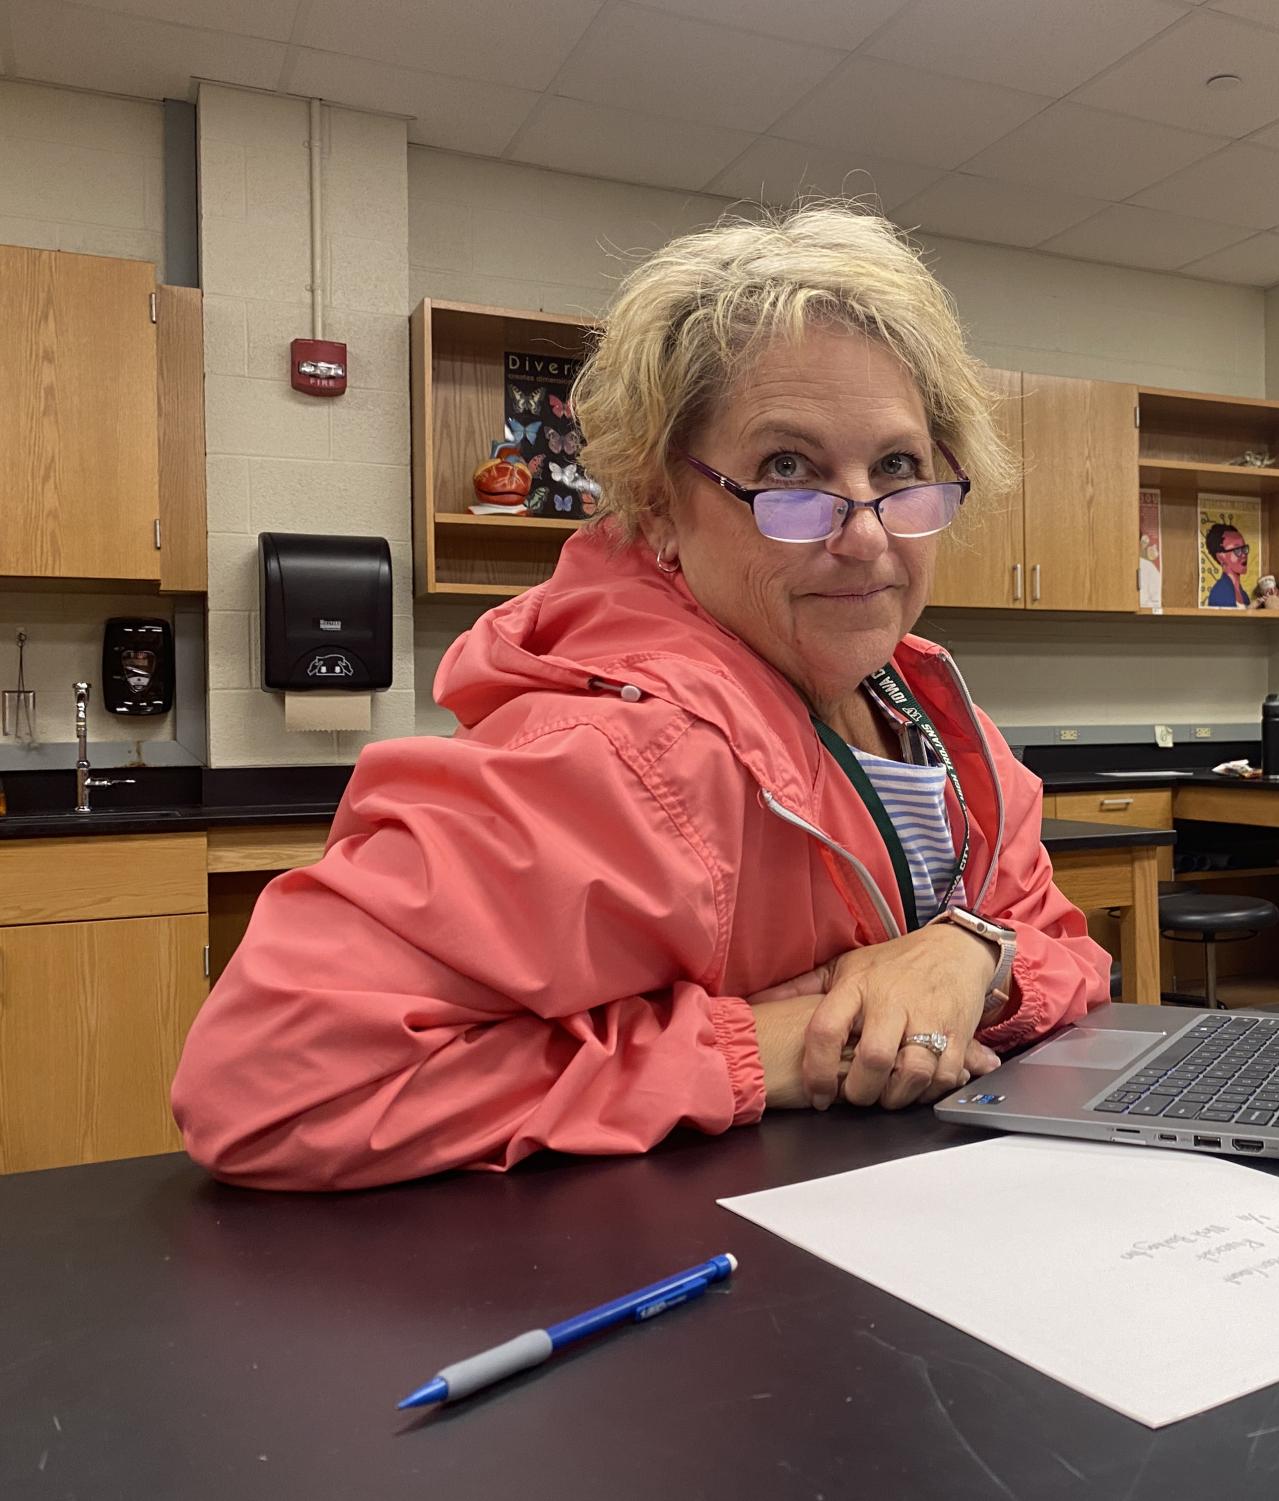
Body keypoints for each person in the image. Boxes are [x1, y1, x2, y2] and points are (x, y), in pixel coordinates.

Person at [172, 204, 1111, 1191]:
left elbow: (1064, 946)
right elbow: (267, 1081)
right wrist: (770, 1046)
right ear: (661, 504)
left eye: (898, 468)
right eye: (787, 469)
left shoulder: (933, 724)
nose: (866, 532)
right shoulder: (622, 758)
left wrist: (971, 956)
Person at [1204, 522, 1250, 607]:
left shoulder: (1245, 596)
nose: (1244, 555)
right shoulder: (1219, 593)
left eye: (1244, 548)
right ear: (1221, 557)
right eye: (1237, 550)